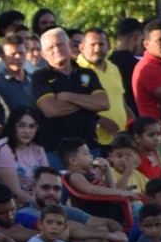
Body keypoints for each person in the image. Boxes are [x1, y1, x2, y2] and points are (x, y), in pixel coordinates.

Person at [32, 26, 108, 161]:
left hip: (90, 148)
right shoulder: (40, 76)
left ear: (70, 45)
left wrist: (68, 96)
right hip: (56, 152)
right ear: (43, 54)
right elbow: (51, 110)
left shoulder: (87, 73)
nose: (57, 49)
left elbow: (103, 103)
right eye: (51, 47)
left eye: (60, 44)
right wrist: (87, 102)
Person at [0, 106, 47, 206]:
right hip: (6, 204)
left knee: (77, 215)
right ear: (13, 126)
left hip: (32, 200)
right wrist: (46, 208)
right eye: (21, 126)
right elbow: (16, 192)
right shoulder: (3, 149)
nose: (27, 131)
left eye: (31, 126)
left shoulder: (38, 148)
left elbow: (46, 180)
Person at [76, 27, 130, 146]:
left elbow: (121, 100)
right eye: (92, 44)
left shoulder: (113, 67)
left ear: (108, 46)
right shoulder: (76, 71)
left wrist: (134, 123)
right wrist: (99, 119)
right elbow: (75, 104)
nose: (97, 49)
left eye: (101, 44)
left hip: (121, 139)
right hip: (95, 142)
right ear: (81, 48)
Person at [0, 35, 34, 113]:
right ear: (2, 58)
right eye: (12, 54)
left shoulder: (35, 80)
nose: (18, 57)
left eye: (21, 53)